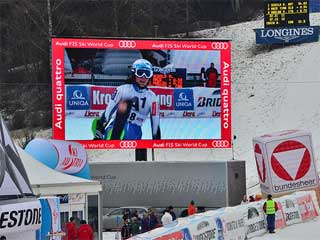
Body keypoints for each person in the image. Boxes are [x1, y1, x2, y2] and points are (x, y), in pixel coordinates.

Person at [94, 59, 161, 140]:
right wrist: (100, 129)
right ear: (134, 74)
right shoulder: (122, 90)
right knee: (97, 122)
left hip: (134, 131)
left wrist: (157, 142)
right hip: (116, 127)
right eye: (140, 73)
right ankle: (107, 137)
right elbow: (108, 112)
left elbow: (155, 124)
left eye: (147, 74)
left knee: (128, 131)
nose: (143, 77)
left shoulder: (152, 98)